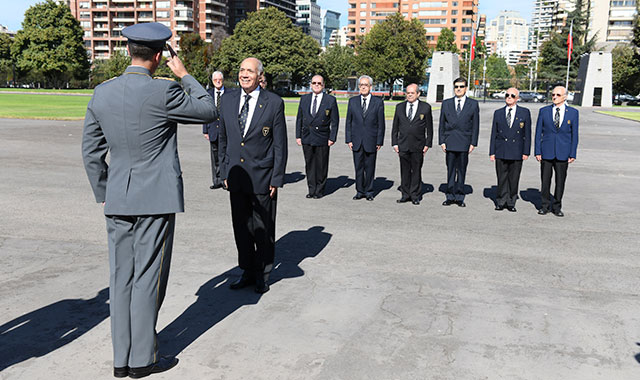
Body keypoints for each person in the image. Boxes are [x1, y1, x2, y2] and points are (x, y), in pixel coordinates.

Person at [81, 23, 216, 378]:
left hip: (118, 198)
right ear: (158, 56)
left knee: (121, 275)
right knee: (147, 278)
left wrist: (106, 190)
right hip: (155, 198)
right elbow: (208, 110)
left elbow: (91, 153)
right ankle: (142, 359)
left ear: (129, 52)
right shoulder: (164, 93)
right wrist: (185, 74)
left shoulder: (102, 93)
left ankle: (120, 358)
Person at [218, 57, 287, 294]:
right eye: (241, 69)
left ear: (260, 76)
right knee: (242, 227)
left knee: (263, 228)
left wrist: (277, 178)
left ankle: (262, 274)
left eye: (250, 71)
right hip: (236, 177)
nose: (244, 74)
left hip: (262, 177)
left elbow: (280, 145)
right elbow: (223, 139)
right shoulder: (227, 99)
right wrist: (223, 171)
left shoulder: (273, 102)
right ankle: (246, 270)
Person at [534, 85, 579, 217]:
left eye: (558, 95)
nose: (554, 97)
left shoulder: (573, 113)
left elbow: (574, 135)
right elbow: (538, 133)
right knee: (545, 180)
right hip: (546, 151)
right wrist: (537, 151)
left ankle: (557, 206)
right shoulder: (544, 111)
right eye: (553, 94)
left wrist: (572, 153)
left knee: (560, 181)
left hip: (563, 152)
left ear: (565, 97)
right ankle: (544, 205)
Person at [295, 75, 339, 199]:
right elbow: (299, 118)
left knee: (321, 164)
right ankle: (311, 189)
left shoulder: (330, 100)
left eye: (319, 83)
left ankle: (319, 190)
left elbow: (335, 120)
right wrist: (298, 135)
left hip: (322, 136)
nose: (316, 85)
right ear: (311, 84)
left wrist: (332, 137)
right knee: (309, 164)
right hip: (307, 136)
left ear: (323, 85)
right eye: (314, 83)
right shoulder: (304, 99)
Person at [438, 77, 479, 207]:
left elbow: (475, 125)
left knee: (461, 170)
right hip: (450, 141)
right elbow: (441, 124)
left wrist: (473, 143)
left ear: (466, 88)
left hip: (464, 142)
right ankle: (450, 195)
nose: (459, 89)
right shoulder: (446, 103)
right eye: (456, 87)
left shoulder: (472, 104)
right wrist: (442, 141)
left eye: (461, 86)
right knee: (450, 170)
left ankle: (460, 196)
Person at [489, 87, 531, 212]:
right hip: (501, 149)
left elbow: (527, 133)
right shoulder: (498, 112)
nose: (509, 97)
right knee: (501, 177)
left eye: (512, 95)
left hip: (516, 150)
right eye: (507, 95)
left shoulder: (524, 112)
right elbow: (494, 134)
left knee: (514, 177)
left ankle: (511, 201)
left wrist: (526, 151)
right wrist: (492, 152)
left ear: (517, 98)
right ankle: (501, 201)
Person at [391, 83, 433, 205]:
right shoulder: (399, 107)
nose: (409, 95)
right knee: (404, 171)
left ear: (418, 94)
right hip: (403, 144)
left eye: (412, 93)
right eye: (408, 93)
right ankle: (405, 194)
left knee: (416, 170)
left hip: (418, 145)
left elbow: (429, 128)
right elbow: (395, 127)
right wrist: (395, 143)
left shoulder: (425, 108)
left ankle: (415, 195)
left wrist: (427, 144)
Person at [345, 75, 385, 201]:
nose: (363, 87)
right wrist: (349, 139)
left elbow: (381, 124)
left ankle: (369, 191)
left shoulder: (378, 102)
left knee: (370, 167)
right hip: (356, 140)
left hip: (371, 140)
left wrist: (379, 141)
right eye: (361, 85)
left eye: (366, 85)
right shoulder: (353, 101)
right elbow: (348, 122)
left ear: (370, 87)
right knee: (358, 167)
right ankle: (359, 191)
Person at [203, 71, 225, 189]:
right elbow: (205, 113)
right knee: (215, 156)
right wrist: (205, 130)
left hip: (225, 131)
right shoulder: (208, 94)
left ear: (223, 80)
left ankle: (225, 180)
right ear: (212, 81)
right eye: (215, 79)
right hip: (212, 130)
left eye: (220, 79)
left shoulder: (229, 94)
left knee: (225, 156)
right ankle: (217, 181)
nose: (218, 81)